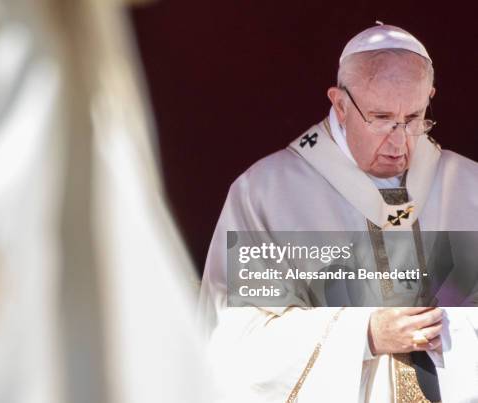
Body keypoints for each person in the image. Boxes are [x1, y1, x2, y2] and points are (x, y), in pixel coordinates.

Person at [199, 23, 478, 402]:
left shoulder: (467, 186)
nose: (399, 143)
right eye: (380, 119)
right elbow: (234, 338)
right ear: (340, 105)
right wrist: (364, 334)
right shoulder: (267, 194)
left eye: (413, 119)